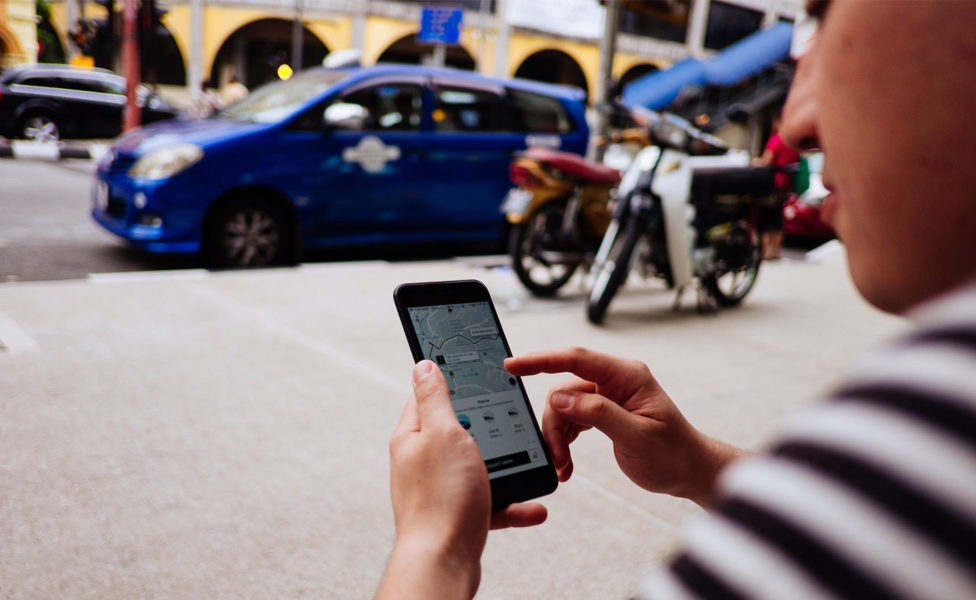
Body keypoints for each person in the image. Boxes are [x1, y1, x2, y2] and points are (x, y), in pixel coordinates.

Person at [376, 2, 976, 599]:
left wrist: (433, 546)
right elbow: (861, 529)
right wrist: (693, 463)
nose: (794, 122)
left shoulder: (944, 412)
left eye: (822, 13)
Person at [754, 117, 801, 259]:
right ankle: (775, 252)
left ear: (778, 122)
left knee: (765, 221)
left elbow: (766, 161)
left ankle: (765, 253)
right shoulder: (792, 143)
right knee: (778, 221)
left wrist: (756, 162)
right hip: (786, 187)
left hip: (771, 185)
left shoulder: (776, 140)